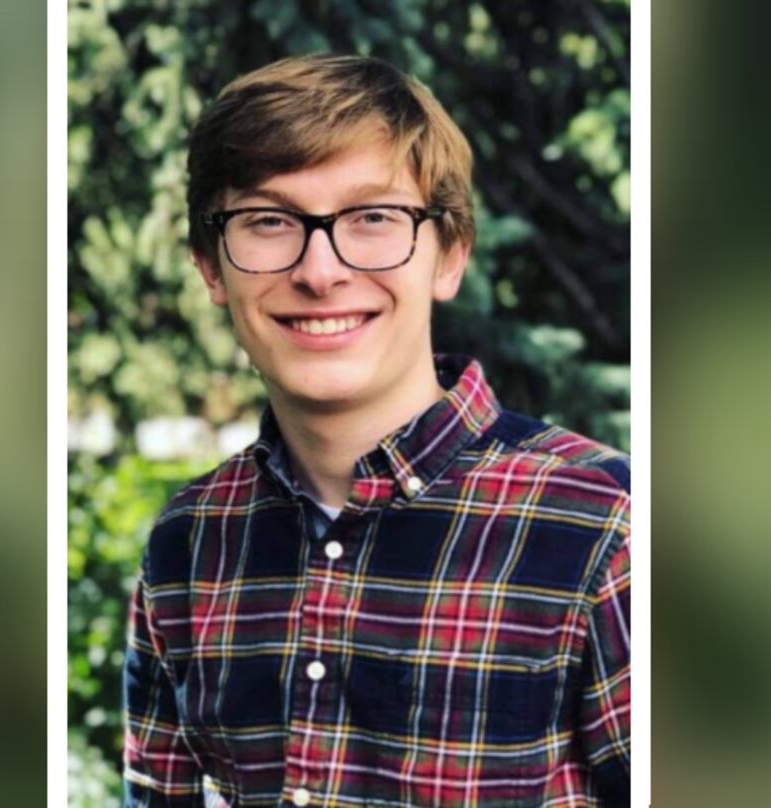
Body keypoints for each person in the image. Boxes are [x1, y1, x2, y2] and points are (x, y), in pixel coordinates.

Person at [122, 54, 629, 807]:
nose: (320, 271)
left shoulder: (605, 524)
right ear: (210, 265)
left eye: (373, 219)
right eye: (269, 221)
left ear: (450, 256)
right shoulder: (190, 540)